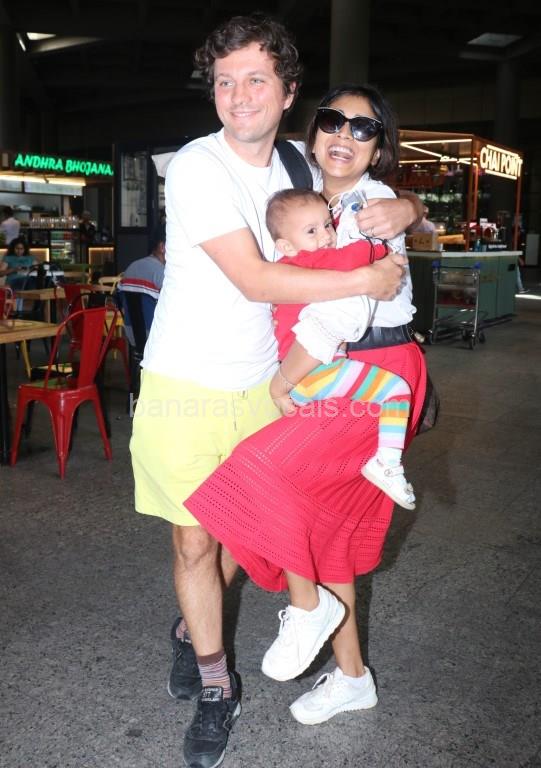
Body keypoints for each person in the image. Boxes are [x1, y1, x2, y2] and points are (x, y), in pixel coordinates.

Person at [129, 16, 421, 768]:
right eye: (224, 81)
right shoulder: (196, 167)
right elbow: (258, 279)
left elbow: (359, 194)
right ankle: (215, 681)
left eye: (256, 78)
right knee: (194, 538)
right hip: (189, 377)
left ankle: (198, 627)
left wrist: (409, 210)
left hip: (272, 380)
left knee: (245, 529)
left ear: (288, 93)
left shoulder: (296, 162)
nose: (238, 95)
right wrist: (364, 278)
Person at [184, 82, 427, 727]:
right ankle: (353, 678)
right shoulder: (314, 191)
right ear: (313, 130)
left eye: (363, 128)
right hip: (341, 370)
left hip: (368, 367)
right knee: (329, 534)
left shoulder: (370, 209)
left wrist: (282, 381)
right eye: (332, 121)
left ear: (379, 146)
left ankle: (309, 609)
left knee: (259, 469)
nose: (344, 135)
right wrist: (417, 204)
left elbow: (342, 313)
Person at [266, 189, 416, 510]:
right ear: (286, 246)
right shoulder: (307, 262)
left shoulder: (289, 269)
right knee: (397, 392)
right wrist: (379, 248)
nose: (326, 236)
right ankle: (388, 463)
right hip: (317, 370)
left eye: (327, 225)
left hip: (307, 373)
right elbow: (350, 258)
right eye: (312, 231)